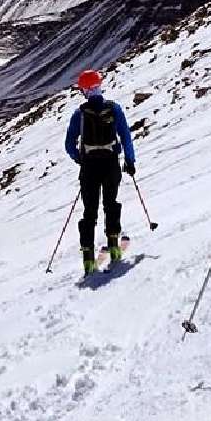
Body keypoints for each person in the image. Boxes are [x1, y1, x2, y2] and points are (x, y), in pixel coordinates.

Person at [64, 69, 137, 275]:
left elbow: (69, 144)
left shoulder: (79, 114)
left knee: (89, 212)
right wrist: (130, 161)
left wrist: (81, 159)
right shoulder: (114, 109)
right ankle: (114, 247)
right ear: (99, 86)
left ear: (84, 90)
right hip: (111, 164)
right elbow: (125, 136)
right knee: (111, 204)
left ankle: (88, 260)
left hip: (89, 168)